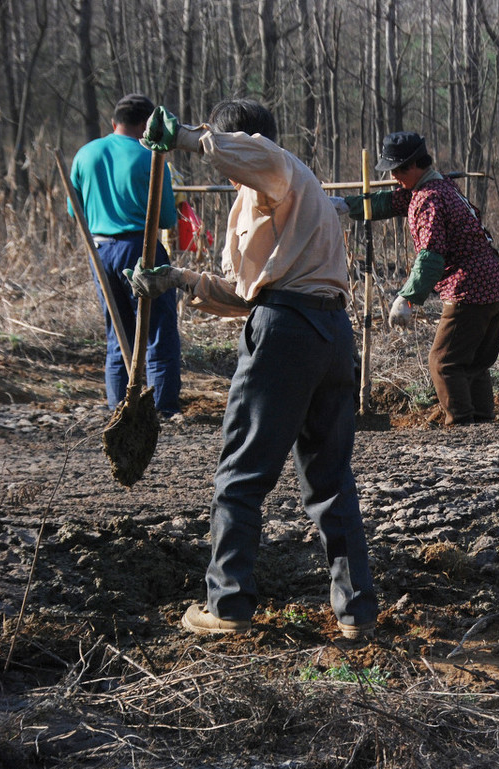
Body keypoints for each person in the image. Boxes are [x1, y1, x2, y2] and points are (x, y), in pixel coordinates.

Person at [127, 99, 378, 640]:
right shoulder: (272, 199)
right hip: (330, 334)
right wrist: (178, 279)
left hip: (287, 334)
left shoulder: (278, 165)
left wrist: (187, 137)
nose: (224, 165)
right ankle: (357, 613)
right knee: (331, 480)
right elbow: (249, 295)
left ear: (244, 144)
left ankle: (228, 605)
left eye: (225, 149)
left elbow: (249, 154)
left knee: (239, 477)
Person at [344, 132, 499, 426]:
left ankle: (462, 426)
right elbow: (391, 202)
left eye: (398, 170)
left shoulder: (428, 198)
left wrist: (407, 297)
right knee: (473, 362)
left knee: (444, 362)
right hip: (497, 281)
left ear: (414, 165)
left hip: (471, 287)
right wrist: (346, 206)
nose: (393, 177)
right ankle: (483, 424)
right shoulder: (439, 185)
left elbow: (431, 255)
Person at [68, 93, 181, 416]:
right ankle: (162, 408)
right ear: (147, 125)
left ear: (113, 122)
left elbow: (74, 211)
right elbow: (167, 219)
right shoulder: (151, 157)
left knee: (117, 332)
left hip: (100, 251)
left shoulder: (84, 154)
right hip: (141, 249)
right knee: (158, 331)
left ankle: (118, 408)